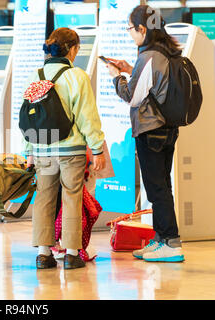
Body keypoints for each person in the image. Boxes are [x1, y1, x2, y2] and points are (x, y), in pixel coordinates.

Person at [106, 5, 184, 262]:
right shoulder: (167, 51)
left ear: (142, 29)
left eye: (130, 28)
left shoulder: (149, 55)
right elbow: (153, 85)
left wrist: (117, 77)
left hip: (150, 130)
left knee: (156, 188)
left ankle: (170, 242)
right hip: (167, 128)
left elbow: (132, 96)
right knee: (162, 186)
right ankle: (163, 239)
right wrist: (131, 68)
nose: (129, 33)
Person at [22, 27, 105, 269]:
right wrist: (97, 148)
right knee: (71, 197)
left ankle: (43, 254)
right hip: (70, 150)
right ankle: (71, 254)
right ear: (72, 49)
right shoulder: (76, 76)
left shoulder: (35, 76)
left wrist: (28, 150)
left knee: (44, 198)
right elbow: (87, 117)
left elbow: (29, 118)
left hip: (41, 149)